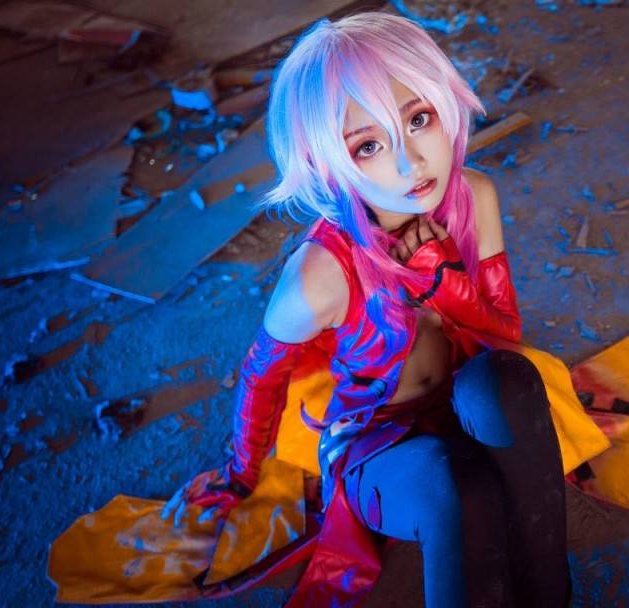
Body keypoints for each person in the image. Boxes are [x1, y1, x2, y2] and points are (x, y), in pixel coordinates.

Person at [160, 11, 570, 607]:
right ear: (327, 161)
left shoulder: (474, 197)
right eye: (369, 146)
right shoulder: (318, 275)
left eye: (419, 119)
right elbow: (261, 375)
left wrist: (443, 281)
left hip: (465, 403)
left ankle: (550, 596)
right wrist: (240, 474)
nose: (411, 163)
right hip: (378, 441)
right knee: (461, 487)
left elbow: (506, 336)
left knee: (507, 380)